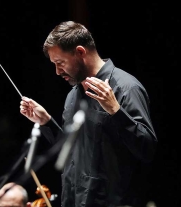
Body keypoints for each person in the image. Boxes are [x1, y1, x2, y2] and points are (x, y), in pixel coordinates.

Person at [19, 21, 158, 207]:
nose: (57, 71)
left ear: (80, 52)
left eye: (60, 63)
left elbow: (147, 150)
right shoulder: (72, 95)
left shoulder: (126, 88)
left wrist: (116, 111)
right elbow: (72, 152)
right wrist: (46, 122)